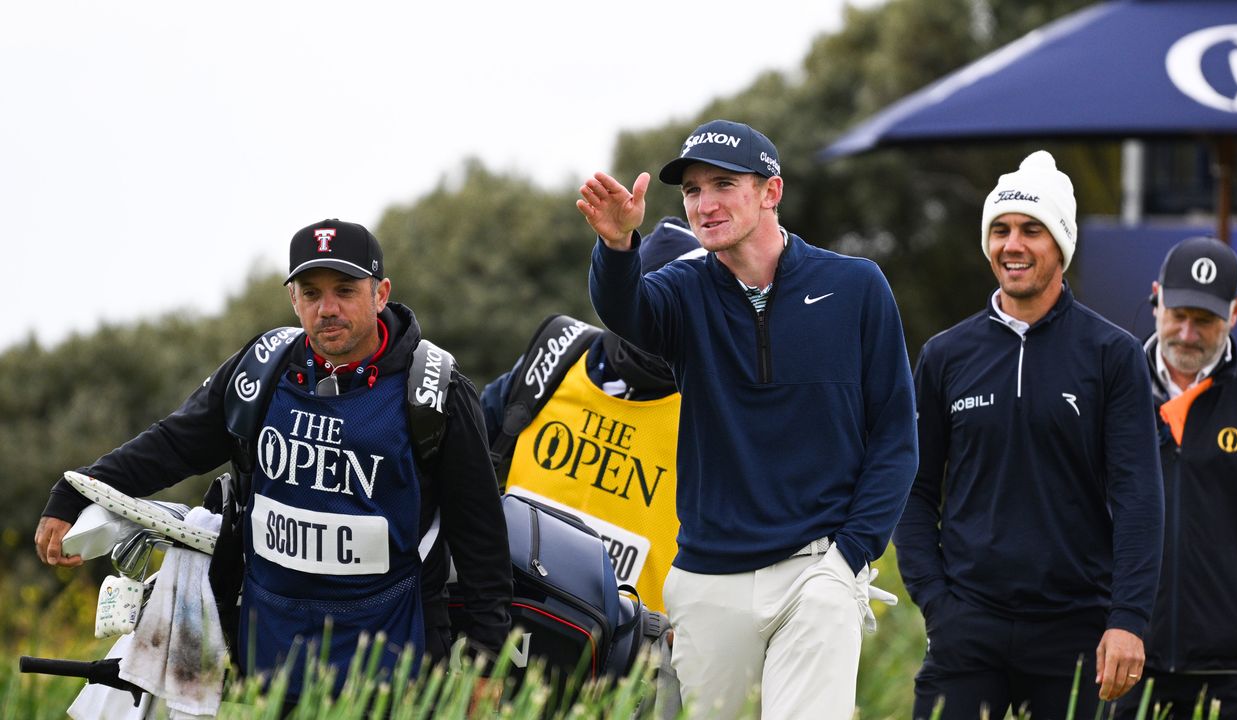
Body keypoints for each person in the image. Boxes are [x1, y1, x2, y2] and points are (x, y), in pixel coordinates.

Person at [33, 219, 512, 700]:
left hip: (389, 662)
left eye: (345, 290)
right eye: (311, 292)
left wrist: (485, 667)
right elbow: (174, 444)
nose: (327, 308)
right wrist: (75, 491)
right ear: (293, 300)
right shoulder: (262, 369)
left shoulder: (434, 392)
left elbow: (481, 541)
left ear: (380, 294)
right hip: (268, 655)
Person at [576, 119, 918, 719]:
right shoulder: (682, 291)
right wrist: (617, 246)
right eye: (692, 191)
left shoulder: (856, 287)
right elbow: (627, 310)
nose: (704, 205)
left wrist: (852, 555)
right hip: (709, 580)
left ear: (771, 192)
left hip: (818, 570)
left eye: (723, 185)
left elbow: (895, 434)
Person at [894, 150, 1165, 718]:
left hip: (1081, 630)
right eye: (1000, 229)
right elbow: (912, 490)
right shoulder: (945, 355)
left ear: (1061, 245)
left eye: (1031, 230)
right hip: (968, 627)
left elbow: (1139, 496)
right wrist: (937, 603)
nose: (1012, 245)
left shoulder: (1112, 355)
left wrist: (1128, 620)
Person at [481, 216, 705, 612]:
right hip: (503, 626)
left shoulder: (716, 409)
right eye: (649, 303)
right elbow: (454, 464)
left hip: (634, 658)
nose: (658, 325)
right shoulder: (552, 360)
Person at [1113, 236, 1237, 719]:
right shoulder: (1109, 392)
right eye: (1178, 314)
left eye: (1205, 320)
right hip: (1125, 668)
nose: (1187, 333)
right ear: (1156, 296)